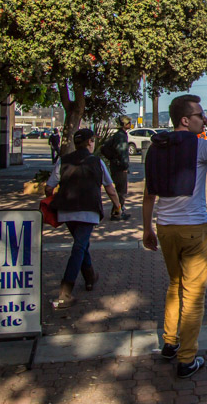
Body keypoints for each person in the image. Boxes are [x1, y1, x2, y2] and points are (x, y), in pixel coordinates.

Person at [142, 95, 207, 379]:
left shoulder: (155, 148)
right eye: (200, 115)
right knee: (194, 296)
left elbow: (149, 194)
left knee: (175, 285)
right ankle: (187, 359)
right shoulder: (201, 146)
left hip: (165, 228)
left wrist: (146, 228)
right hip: (194, 228)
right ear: (186, 120)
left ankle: (170, 343)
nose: (205, 119)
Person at [44, 128, 122, 309]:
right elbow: (110, 187)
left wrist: (51, 197)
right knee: (79, 247)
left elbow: (49, 188)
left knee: (81, 244)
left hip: (66, 210)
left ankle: (90, 277)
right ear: (89, 142)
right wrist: (117, 206)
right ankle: (66, 290)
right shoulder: (97, 162)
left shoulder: (63, 161)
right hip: (89, 211)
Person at [101, 115, 132, 220]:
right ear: (124, 124)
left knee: (120, 191)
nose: (130, 124)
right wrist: (123, 165)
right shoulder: (121, 136)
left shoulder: (117, 135)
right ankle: (117, 212)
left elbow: (104, 148)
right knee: (121, 192)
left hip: (116, 166)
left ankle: (118, 211)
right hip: (120, 168)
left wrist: (112, 158)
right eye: (128, 123)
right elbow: (122, 152)